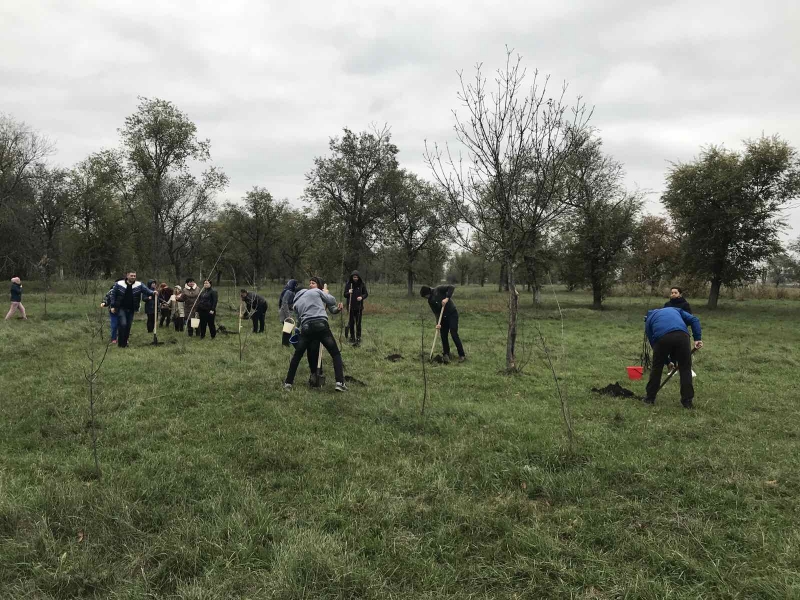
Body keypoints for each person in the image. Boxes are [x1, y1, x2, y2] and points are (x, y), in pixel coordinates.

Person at [283, 277, 347, 392]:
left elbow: (299, 320)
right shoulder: (317, 292)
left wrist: (298, 331)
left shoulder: (296, 303)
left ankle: (288, 383)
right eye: (310, 283)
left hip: (307, 328)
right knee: (335, 354)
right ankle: (339, 382)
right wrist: (325, 293)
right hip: (321, 325)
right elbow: (332, 300)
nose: (311, 285)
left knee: (297, 356)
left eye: (313, 283)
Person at [643, 307, 703, 409]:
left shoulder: (649, 320)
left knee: (657, 368)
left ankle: (650, 398)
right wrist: (697, 338)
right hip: (682, 336)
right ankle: (687, 402)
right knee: (685, 369)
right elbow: (694, 319)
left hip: (662, 338)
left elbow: (654, 344)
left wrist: (666, 362)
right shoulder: (675, 310)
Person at [420, 284, 466, 363]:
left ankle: (461, 355)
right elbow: (436, 313)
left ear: (428, 293)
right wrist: (438, 323)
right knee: (443, 335)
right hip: (443, 317)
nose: (426, 298)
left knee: (453, 332)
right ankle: (446, 354)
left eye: (425, 296)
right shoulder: (430, 301)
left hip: (452, 314)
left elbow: (451, 287)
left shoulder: (438, 289)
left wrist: (447, 298)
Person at [109, 271, 156, 348]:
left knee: (128, 326)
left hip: (131, 309)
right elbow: (113, 295)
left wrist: (153, 292)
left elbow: (147, 290)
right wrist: (113, 306)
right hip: (121, 308)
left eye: (134, 276)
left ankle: (124, 343)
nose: (133, 277)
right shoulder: (119, 284)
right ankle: (121, 344)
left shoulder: (139, 285)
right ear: (127, 276)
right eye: (131, 276)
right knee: (123, 324)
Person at [343, 270, 369, 345]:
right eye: (354, 277)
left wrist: (361, 297)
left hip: (359, 307)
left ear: (359, 277)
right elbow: (345, 294)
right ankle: (352, 337)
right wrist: (349, 292)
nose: (355, 278)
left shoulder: (361, 284)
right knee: (351, 323)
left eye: (357, 277)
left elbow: (366, 294)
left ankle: (358, 337)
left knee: (358, 323)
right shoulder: (348, 284)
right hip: (350, 306)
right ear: (352, 277)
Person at [279, 279, 299, 345]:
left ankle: (285, 343)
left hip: (287, 311)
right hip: (285, 313)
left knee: (287, 329)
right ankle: (286, 344)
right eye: (295, 285)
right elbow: (284, 303)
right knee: (288, 329)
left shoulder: (289, 291)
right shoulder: (288, 291)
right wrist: (288, 315)